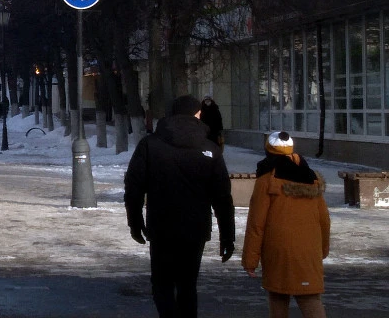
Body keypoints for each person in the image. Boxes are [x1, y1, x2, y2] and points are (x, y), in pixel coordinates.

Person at [124, 94, 235, 318]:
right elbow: (222, 198)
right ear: (198, 114)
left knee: (162, 284)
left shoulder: (150, 144)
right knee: (187, 285)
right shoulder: (210, 149)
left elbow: (133, 188)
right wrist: (227, 238)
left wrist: (135, 223)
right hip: (195, 230)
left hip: (161, 228)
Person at [242, 132, 330, 318]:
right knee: (310, 297)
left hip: (278, 249)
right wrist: (322, 250)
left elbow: (257, 223)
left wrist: (250, 260)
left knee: (278, 296)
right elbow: (324, 220)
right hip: (308, 250)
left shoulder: (266, 179)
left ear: (268, 150)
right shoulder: (312, 178)